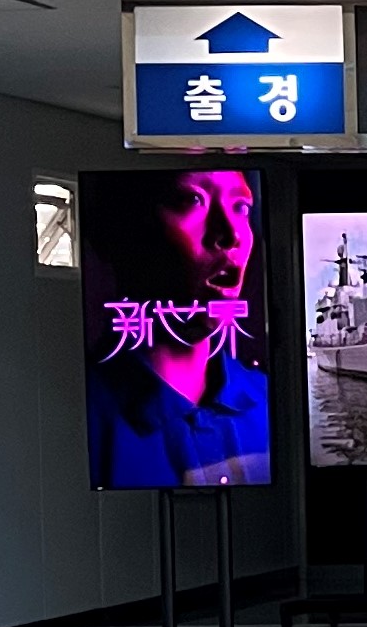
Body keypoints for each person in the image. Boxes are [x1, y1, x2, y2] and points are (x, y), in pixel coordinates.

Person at [85, 168, 271, 488]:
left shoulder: (270, 400)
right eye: (192, 199)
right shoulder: (83, 416)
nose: (231, 234)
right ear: (119, 232)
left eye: (241, 207)